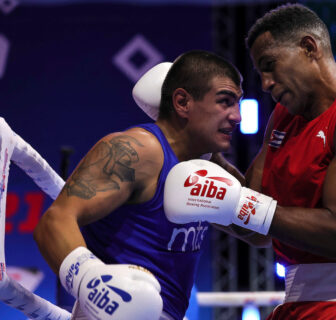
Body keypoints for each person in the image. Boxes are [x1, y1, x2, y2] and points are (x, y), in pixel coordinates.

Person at [163, 4, 336, 319]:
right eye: (260, 72)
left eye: (270, 65)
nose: (265, 83)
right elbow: (257, 228)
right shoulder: (283, 119)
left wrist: (232, 200)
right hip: (296, 304)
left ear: (309, 48)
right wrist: (203, 153)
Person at [33, 50, 247, 320]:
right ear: (182, 102)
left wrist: (214, 160)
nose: (237, 116)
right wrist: (95, 284)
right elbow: (54, 222)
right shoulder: (139, 150)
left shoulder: (204, 172)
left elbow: (261, 235)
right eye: (225, 102)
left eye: (238, 103)